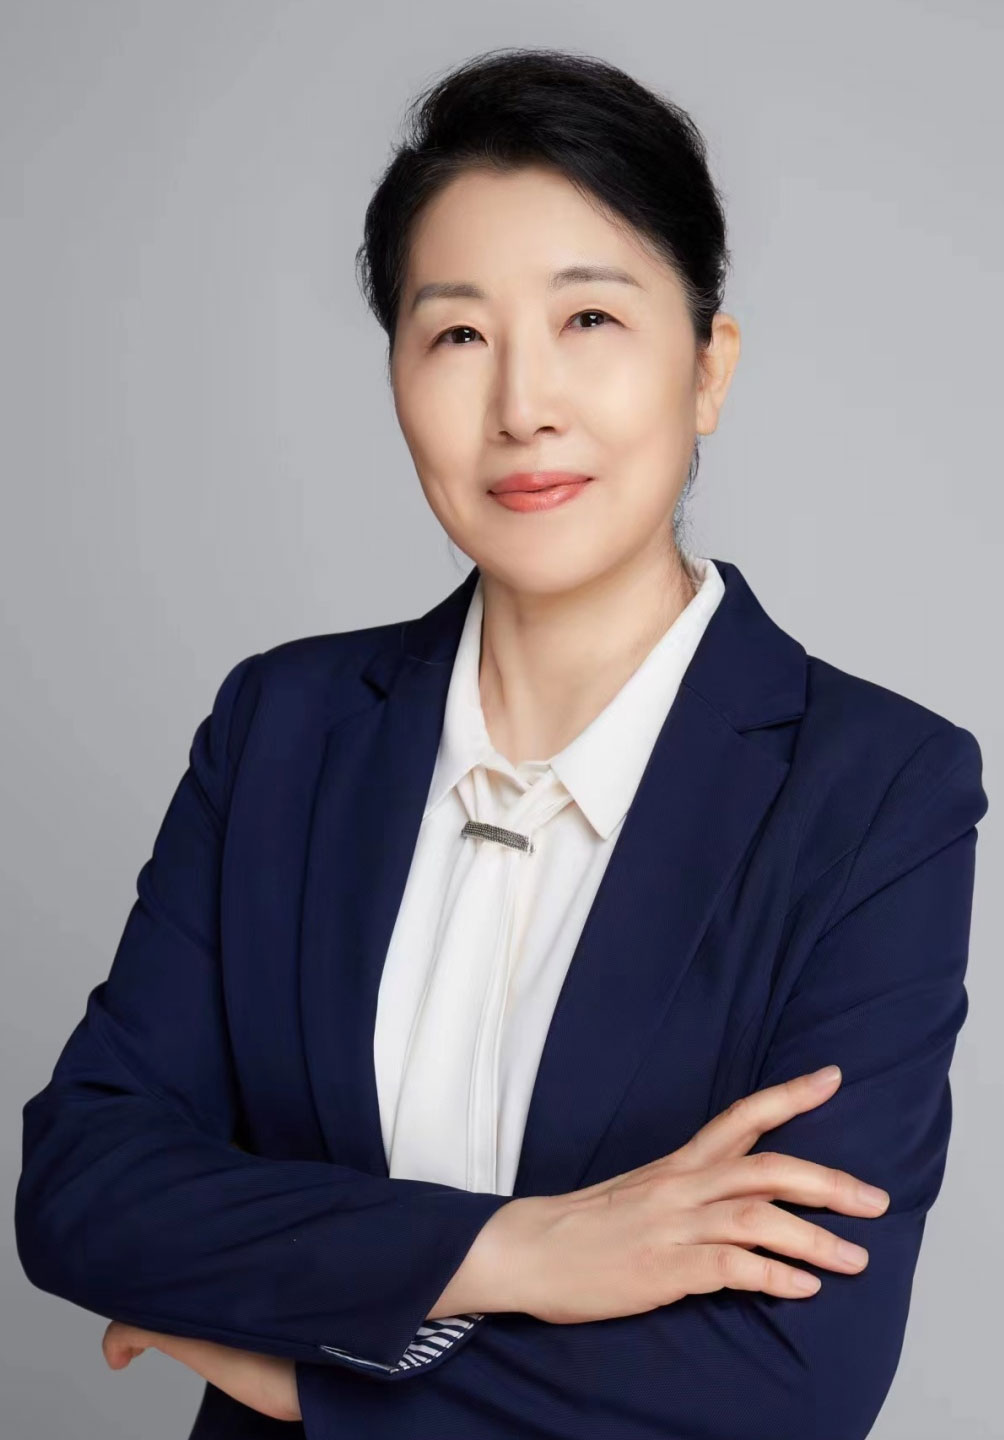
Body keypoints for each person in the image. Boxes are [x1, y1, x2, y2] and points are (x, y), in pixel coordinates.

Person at [16, 46, 988, 1440]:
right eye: (458, 335)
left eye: (590, 318)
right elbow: (83, 1187)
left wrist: (303, 1373)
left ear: (707, 367)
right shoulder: (281, 728)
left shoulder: (878, 789)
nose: (523, 404)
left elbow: (789, 1380)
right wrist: (521, 1250)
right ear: (397, 375)